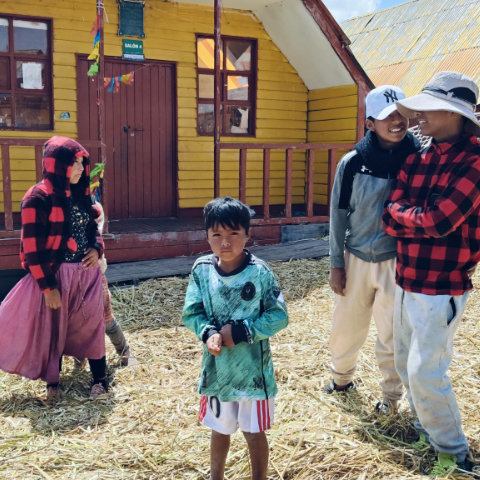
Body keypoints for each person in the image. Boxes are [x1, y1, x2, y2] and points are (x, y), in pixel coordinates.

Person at [383, 71, 480, 476]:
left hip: (442, 285)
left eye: (427, 110)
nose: (417, 118)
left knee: (427, 370)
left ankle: (454, 453)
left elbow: (440, 220)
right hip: (407, 278)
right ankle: (429, 429)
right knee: (406, 362)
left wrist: (403, 215)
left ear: (453, 113)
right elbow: (391, 210)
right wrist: (408, 216)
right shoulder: (419, 155)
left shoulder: (475, 162)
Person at [327, 85, 421, 413]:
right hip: (356, 258)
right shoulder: (352, 163)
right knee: (347, 325)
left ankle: (391, 399)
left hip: (398, 261)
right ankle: (341, 379)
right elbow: (338, 215)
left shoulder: (418, 160)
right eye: (387, 117)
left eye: (402, 114)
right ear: (370, 123)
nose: (397, 122)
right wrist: (336, 262)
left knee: (393, 333)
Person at [182, 197, 288, 480]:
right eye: (216, 235)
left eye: (233, 234)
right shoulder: (201, 271)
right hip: (218, 372)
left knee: (254, 432)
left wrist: (242, 331)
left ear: (247, 235)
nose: (224, 243)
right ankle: (215, 475)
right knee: (220, 430)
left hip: (253, 374)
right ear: (207, 235)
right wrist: (209, 333)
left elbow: (279, 316)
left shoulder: (260, 273)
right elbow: (192, 312)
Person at [0, 136, 108, 401]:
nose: (82, 169)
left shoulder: (83, 193)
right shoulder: (38, 197)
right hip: (57, 275)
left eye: (83, 163)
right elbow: (32, 249)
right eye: (75, 164)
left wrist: (96, 249)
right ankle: (53, 381)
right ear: (58, 166)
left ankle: (100, 380)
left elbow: (93, 229)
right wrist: (48, 287)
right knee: (54, 329)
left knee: (93, 323)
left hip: (88, 274)